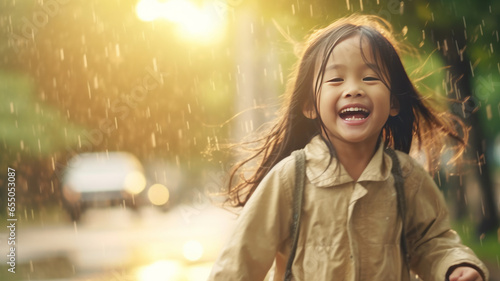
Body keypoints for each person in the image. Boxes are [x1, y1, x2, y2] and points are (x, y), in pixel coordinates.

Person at [208, 14, 489, 281]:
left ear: (393, 103)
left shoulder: (406, 177)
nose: (353, 89)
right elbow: (240, 261)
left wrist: (455, 265)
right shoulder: (290, 178)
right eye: (335, 79)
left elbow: (432, 241)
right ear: (309, 105)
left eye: (370, 78)